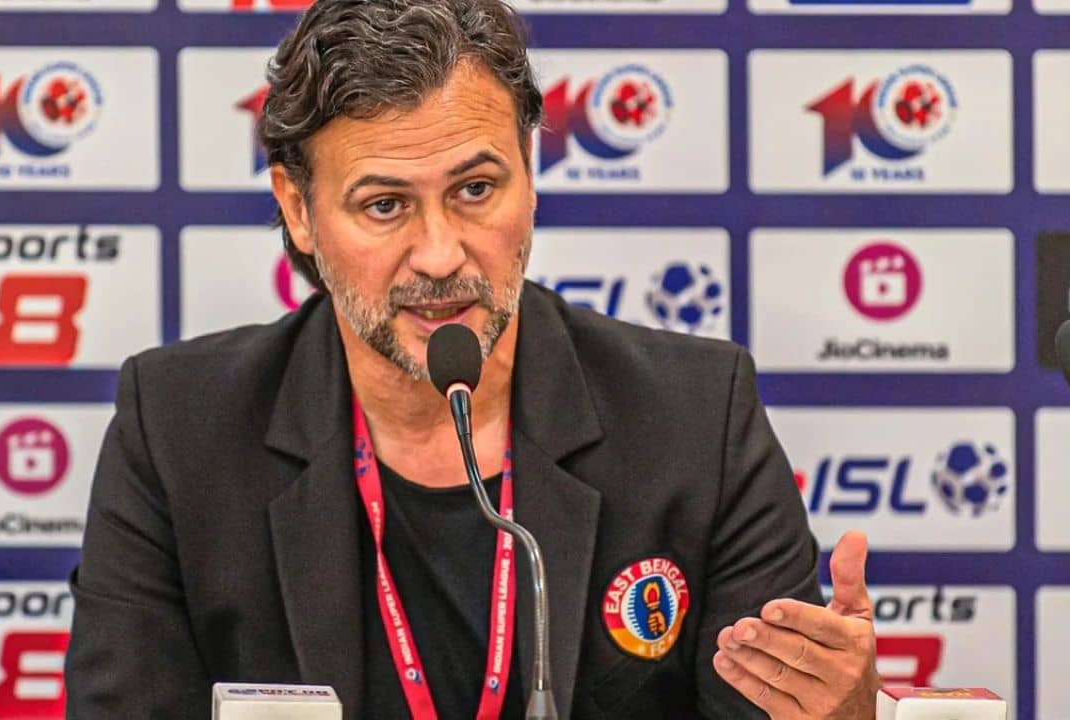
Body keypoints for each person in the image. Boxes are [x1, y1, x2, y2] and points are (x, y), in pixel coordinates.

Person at [64, 1, 881, 717]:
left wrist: (835, 716)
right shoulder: (178, 430)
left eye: (476, 189)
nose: (440, 255)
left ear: (530, 172)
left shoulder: (695, 418)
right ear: (299, 212)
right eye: (385, 205)